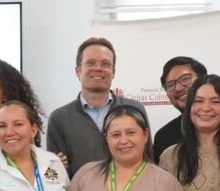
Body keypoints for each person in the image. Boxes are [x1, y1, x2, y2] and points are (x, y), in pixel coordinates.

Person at [46, 37, 148, 174]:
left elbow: (148, 159)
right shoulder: (59, 118)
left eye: (105, 64)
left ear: (113, 72)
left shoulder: (134, 109)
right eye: (90, 63)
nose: (98, 68)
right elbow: (55, 174)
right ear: (78, 71)